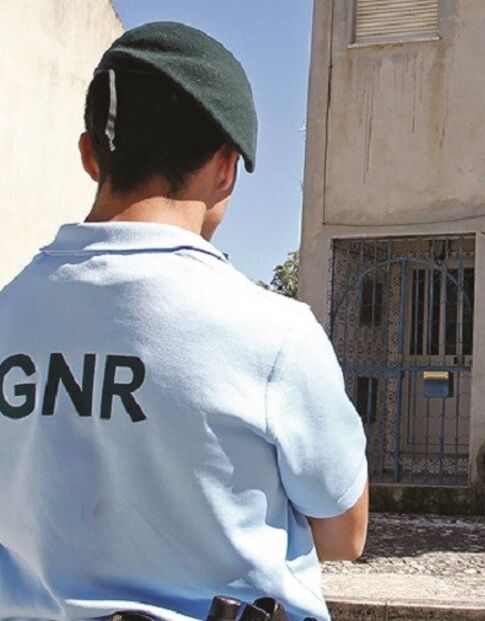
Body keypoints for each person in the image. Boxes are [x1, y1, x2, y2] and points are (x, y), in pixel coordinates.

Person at [0, 21, 368, 621]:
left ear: (90, 155)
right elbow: (344, 535)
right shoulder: (275, 334)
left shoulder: (7, 313)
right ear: (226, 166)